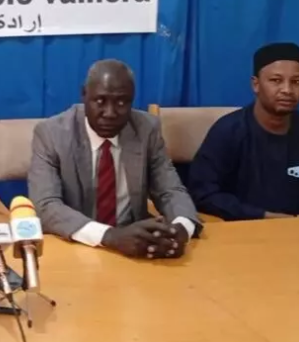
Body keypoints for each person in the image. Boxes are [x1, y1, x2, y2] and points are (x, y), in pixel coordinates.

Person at [28, 59, 200, 260]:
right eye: (100, 101)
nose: (110, 113)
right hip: (76, 246)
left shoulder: (146, 128)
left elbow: (169, 190)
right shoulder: (51, 134)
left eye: (121, 102)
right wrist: (110, 236)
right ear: (84, 95)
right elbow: (46, 206)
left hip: (135, 245)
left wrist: (180, 229)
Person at [188, 42, 299, 220]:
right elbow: (203, 193)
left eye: (296, 82)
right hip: (247, 228)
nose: (287, 90)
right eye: (276, 80)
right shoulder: (228, 131)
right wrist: (265, 217)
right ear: (256, 84)